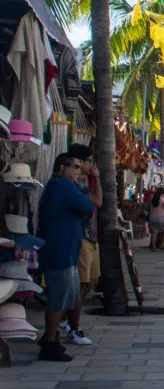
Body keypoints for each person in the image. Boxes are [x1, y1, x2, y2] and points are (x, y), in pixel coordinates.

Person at [36, 153, 96, 362]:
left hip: (65, 250)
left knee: (65, 296)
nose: (79, 172)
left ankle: (51, 337)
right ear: (63, 168)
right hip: (60, 251)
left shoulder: (58, 185)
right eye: (75, 167)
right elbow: (89, 206)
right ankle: (50, 344)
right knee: (58, 299)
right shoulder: (62, 185)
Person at [63, 143, 102, 346]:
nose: (89, 165)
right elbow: (97, 202)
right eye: (88, 161)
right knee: (78, 285)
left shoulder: (80, 182)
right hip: (81, 238)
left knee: (91, 281)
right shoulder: (73, 184)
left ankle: (65, 318)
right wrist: (97, 178)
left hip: (91, 236)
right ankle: (70, 323)